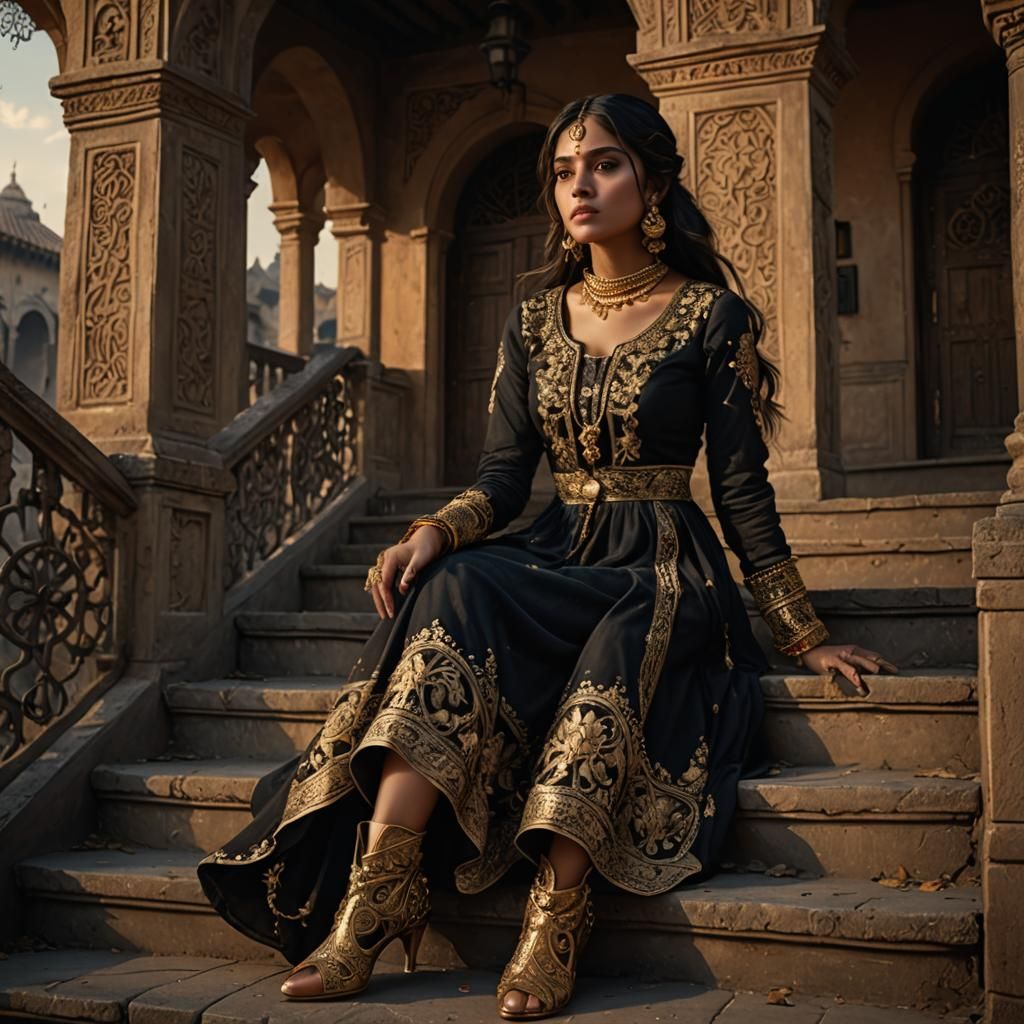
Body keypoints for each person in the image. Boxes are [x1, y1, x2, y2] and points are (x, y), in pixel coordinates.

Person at [197, 93, 896, 1021]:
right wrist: (433, 531)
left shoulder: (711, 317)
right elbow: (501, 475)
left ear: (649, 181)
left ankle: (557, 915)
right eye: (565, 171)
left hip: (660, 560)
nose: (580, 186)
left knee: (623, 641)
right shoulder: (532, 322)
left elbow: (739, 491)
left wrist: (802, 635)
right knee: (453, 589)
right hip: (559, 544)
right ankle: (378, 894)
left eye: (602, 164)